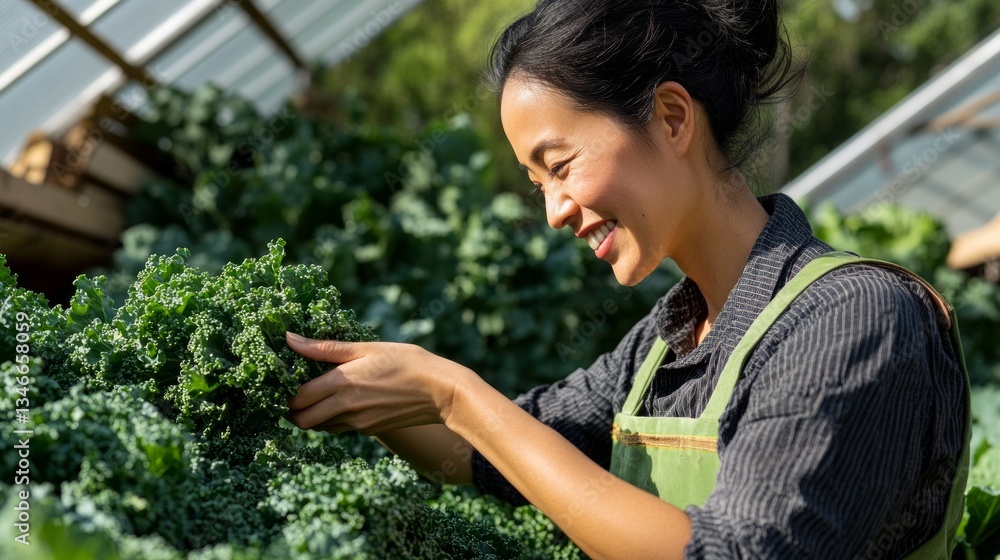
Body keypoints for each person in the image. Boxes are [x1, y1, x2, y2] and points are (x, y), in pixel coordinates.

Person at [284, 0, 970, 557]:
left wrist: (454, 392)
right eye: (538, 184)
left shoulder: (856, 318)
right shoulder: (663, 344)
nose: (554, 212)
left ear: (672, 119)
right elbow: (492, 451)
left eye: (560, 166)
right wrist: (330, 376)